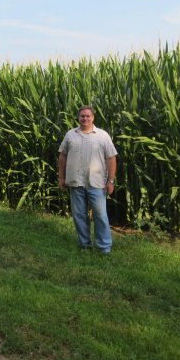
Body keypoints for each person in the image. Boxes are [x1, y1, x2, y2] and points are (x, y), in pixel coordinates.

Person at [58, 105, 118, 254]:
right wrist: (61, 177)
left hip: (96, 182)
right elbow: (62, 156)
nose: (85, 118)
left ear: (93, 117)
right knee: (79, 215)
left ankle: (104, 247)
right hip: (75, 181)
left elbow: (111, 158)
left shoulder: (102, 136)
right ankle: (85, 244)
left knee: (100, 215)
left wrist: (110, 181)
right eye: (82, 116)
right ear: (78, 117)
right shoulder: (70, 135)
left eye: (87, 116)